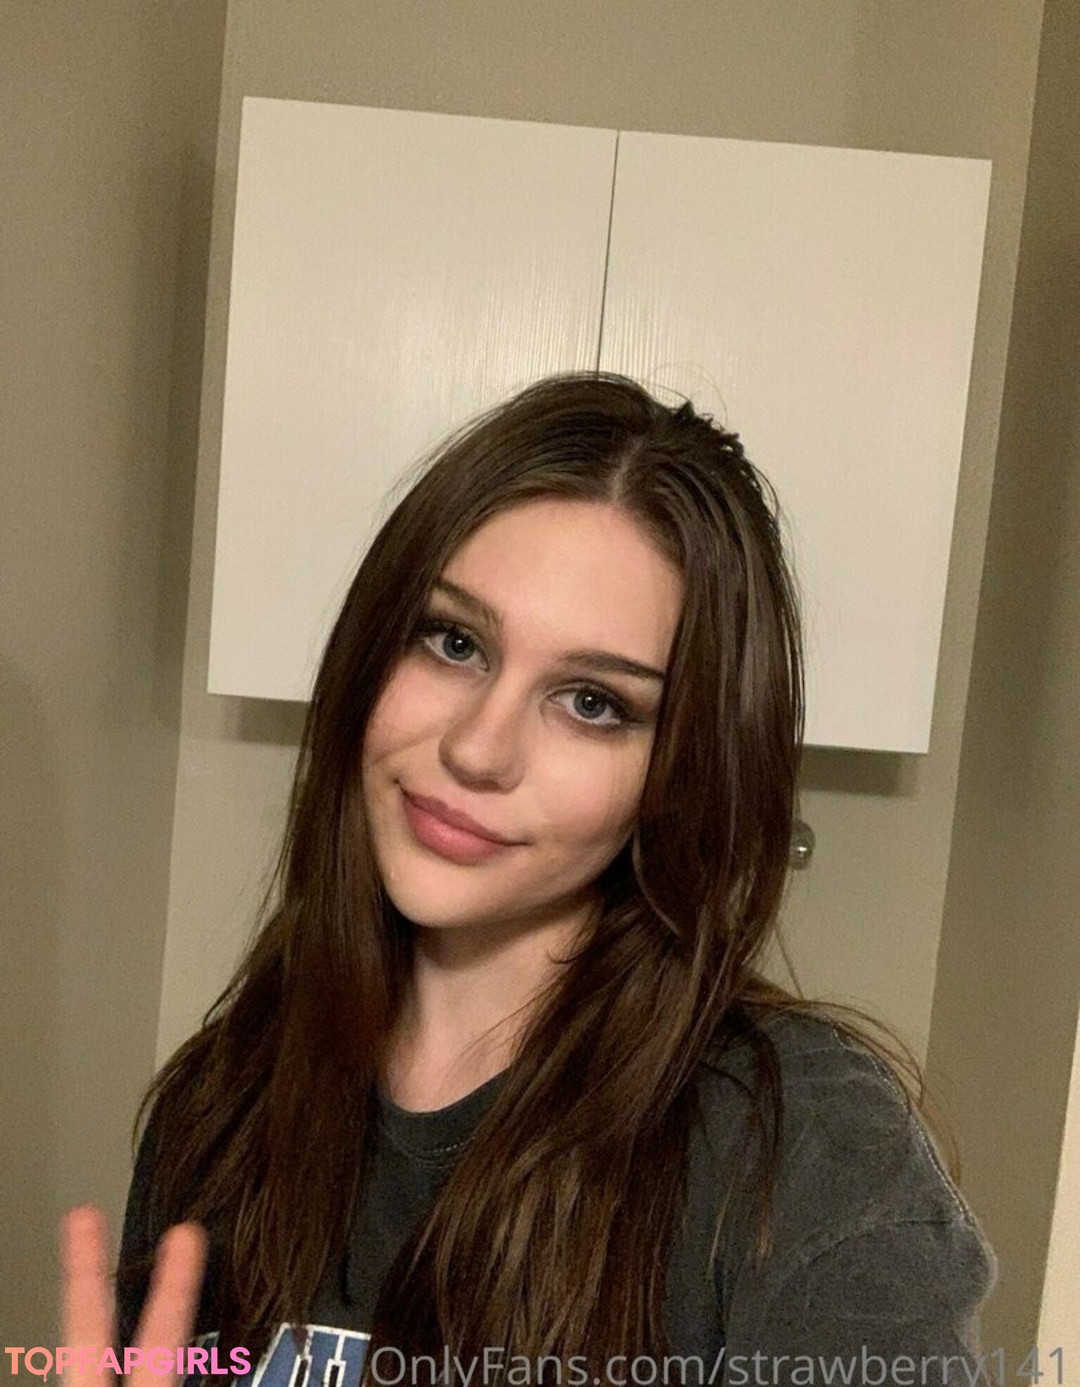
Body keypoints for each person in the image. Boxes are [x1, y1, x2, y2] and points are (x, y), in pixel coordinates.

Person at [62, 372, 998, 1387]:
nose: (477, 748)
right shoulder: (224, 1098)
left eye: (593, 702)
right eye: (454, 642)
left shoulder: (807, 1150)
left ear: (680, 774)